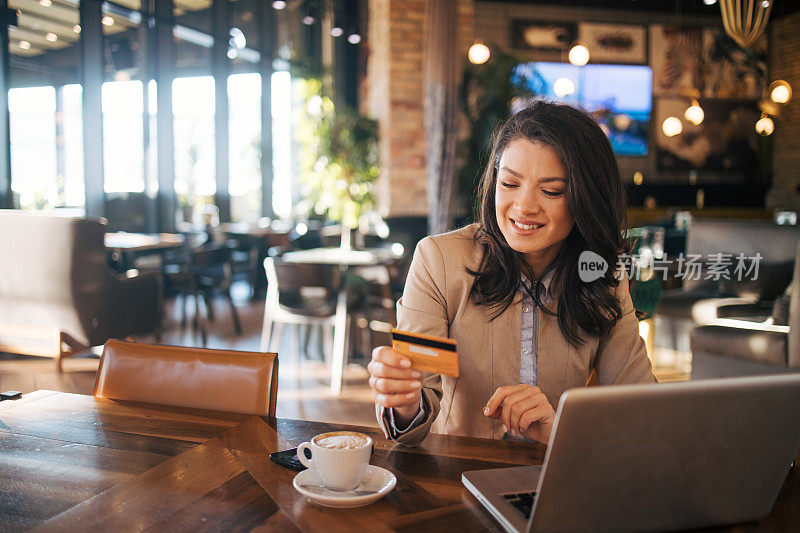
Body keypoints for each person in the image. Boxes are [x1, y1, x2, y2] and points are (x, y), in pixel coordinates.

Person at [369, 101, 656, 446]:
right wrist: (404, 400)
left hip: (555, 478)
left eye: (551, 191)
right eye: (509, 183)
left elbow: (639, 412)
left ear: (587, 198)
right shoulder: (439, 261)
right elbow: (417, 402)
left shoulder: (601, 274)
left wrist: (560, 430)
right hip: (459, 475)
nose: (523, 206)